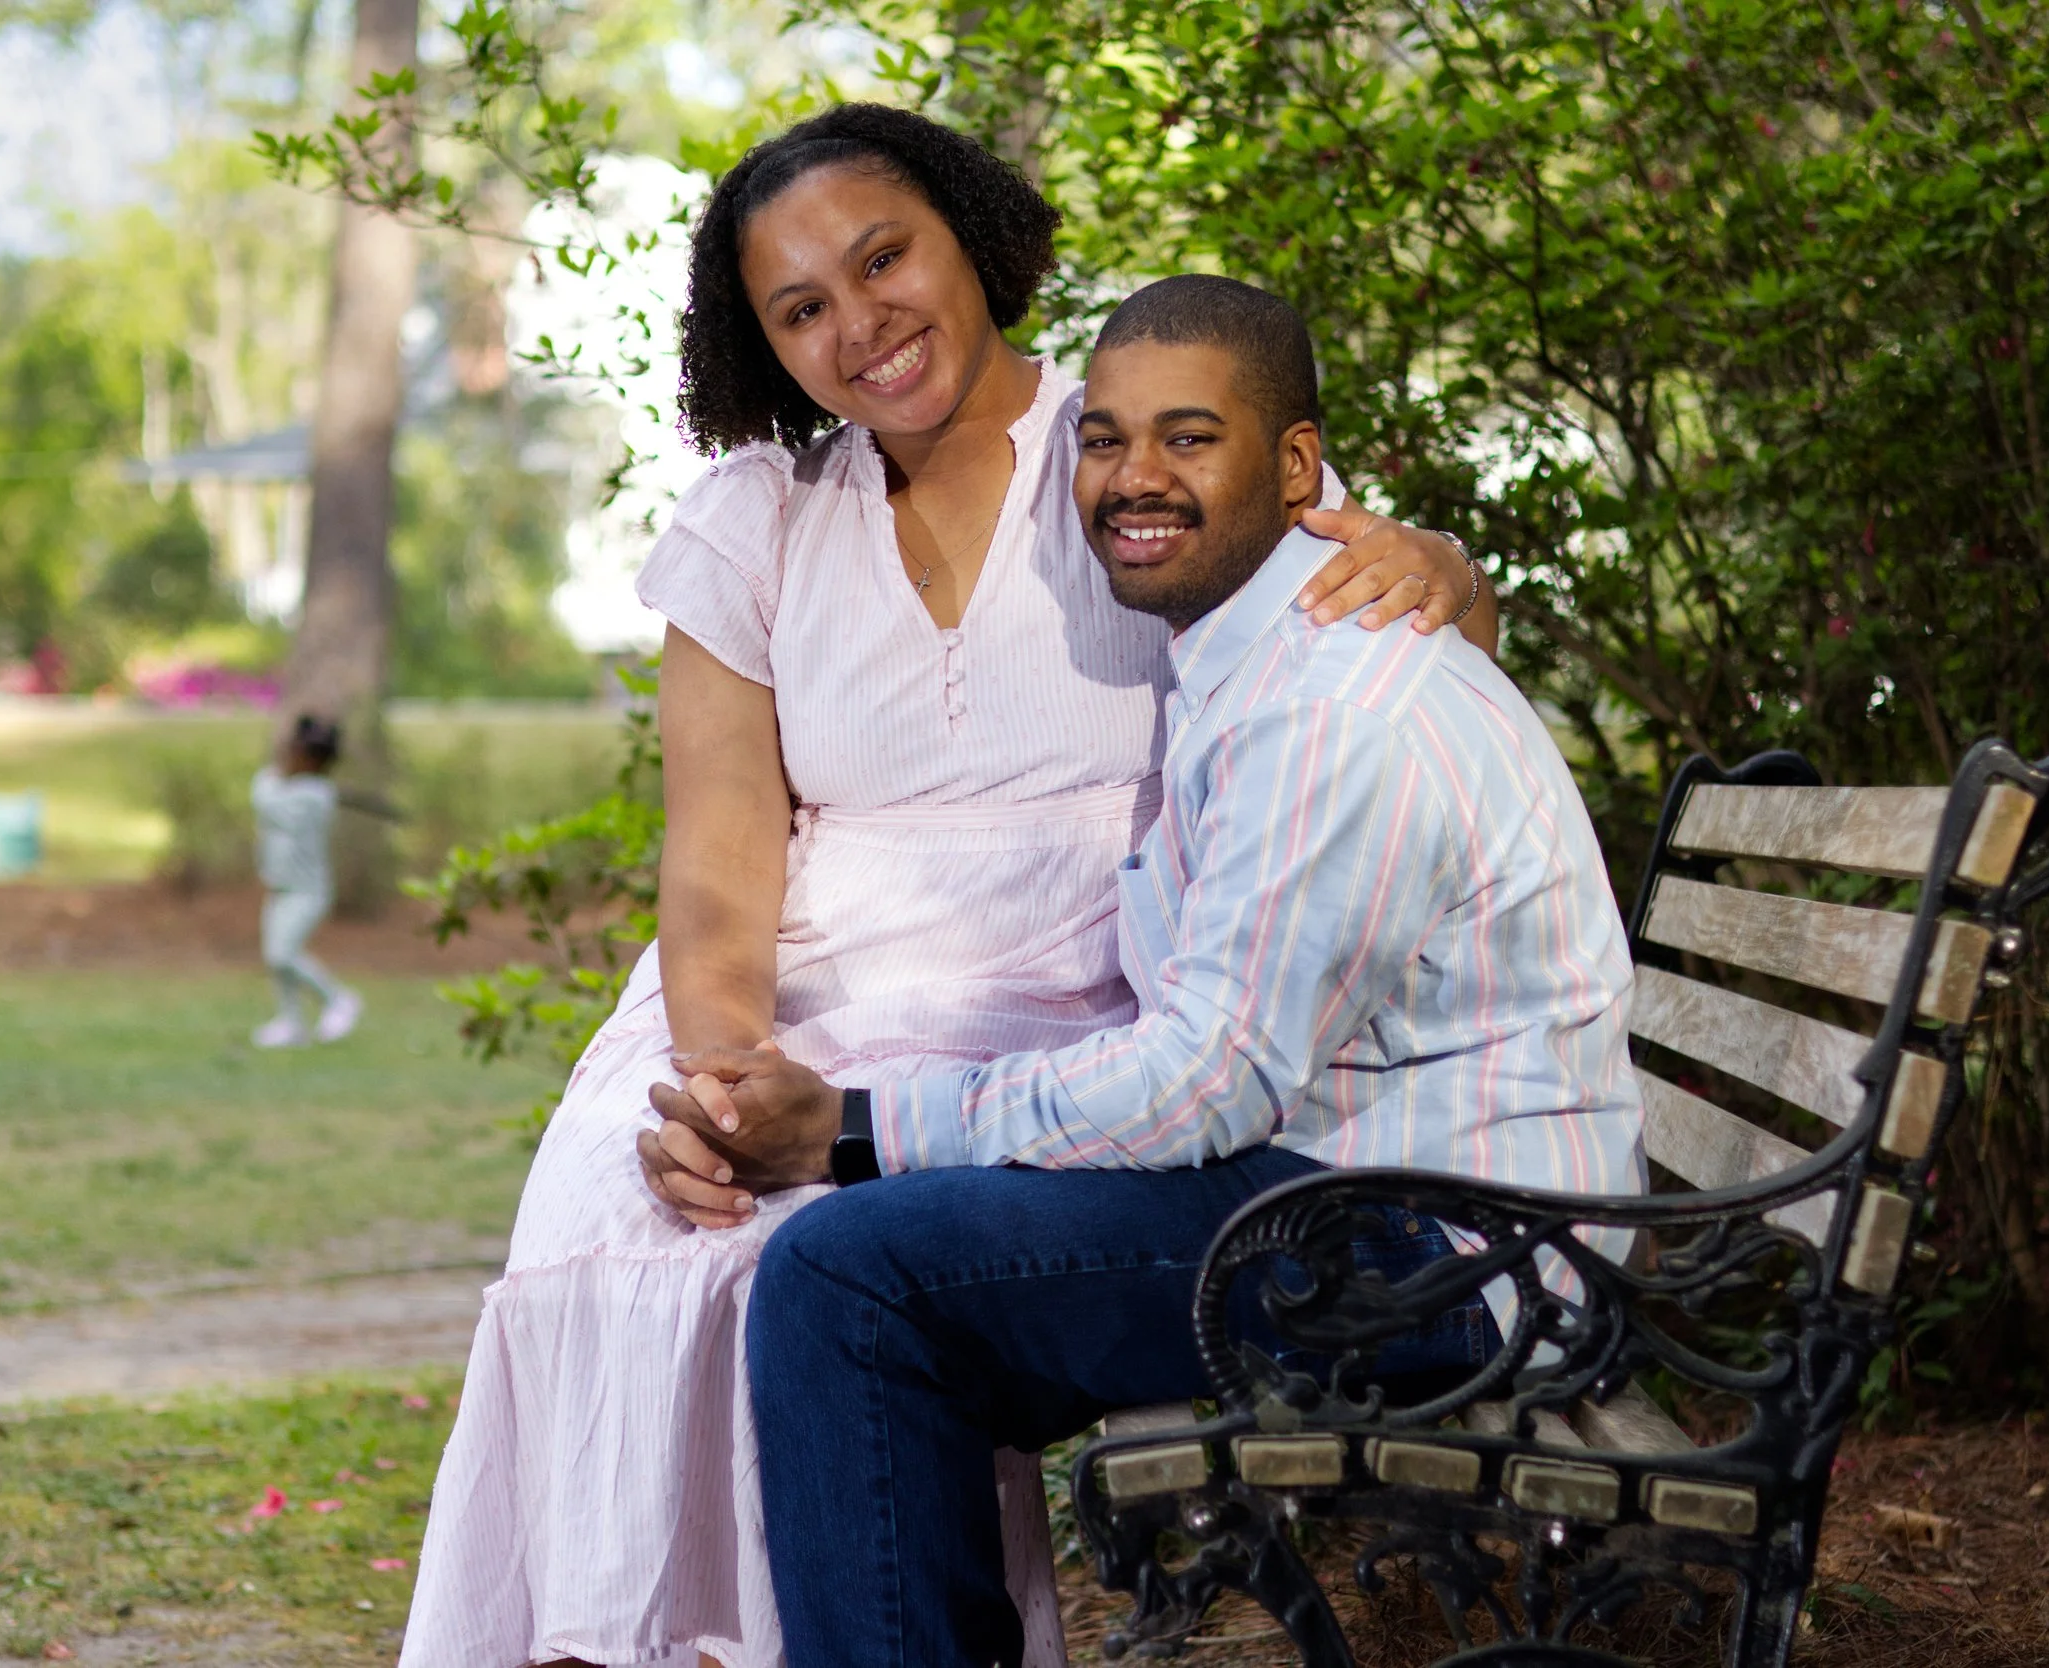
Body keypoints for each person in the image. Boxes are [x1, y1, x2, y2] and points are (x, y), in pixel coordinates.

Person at [400, 107, 1493, 1668]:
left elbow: (1369, 624)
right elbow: (716, 863)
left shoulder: (1128, 440)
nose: (860, 326)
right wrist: (721, 1079)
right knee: (624, 1211)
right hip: (793, 996)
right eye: (801, 310)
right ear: (763, 347)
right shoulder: (756, 521)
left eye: (882, 257)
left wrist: (1448, 569)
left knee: (814, 1254)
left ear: (967, 237)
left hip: (1066, 1005)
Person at [639, 275, 1644, 1668]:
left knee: (853, 1282)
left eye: (1189, 438)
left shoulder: (1328, 705)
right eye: (1104, 441)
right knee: (885, 1274)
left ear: (1298, 466)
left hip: (1457, 1252)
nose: (1133, 479)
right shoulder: (1247, 661)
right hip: (1362, 1191)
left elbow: (1206, 1087)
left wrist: (860, 1128)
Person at [249, 713, 362, 1049]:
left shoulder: (312, 796)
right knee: (275, 960)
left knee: (284, 955)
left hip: (307, 893)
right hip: (280, 887)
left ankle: (339, 999)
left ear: (312, 760)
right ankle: (291, 1023)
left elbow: (266, 802)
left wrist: (269, 775)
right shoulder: (297, 787)